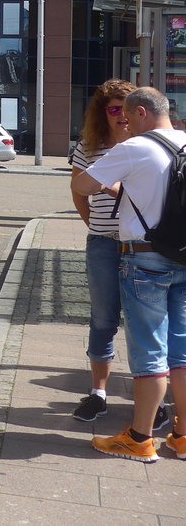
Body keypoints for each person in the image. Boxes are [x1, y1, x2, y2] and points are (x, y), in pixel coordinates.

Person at [71, 86, 186, 462]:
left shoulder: (134, 148)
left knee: (149, 351)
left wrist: (113, 179)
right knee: (181, 352)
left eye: (128, 115)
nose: (125, 122)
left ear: (140, 113)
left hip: (145, 261)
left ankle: (139, 438)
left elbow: (81, 185)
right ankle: (182, 436)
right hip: (184, 259)